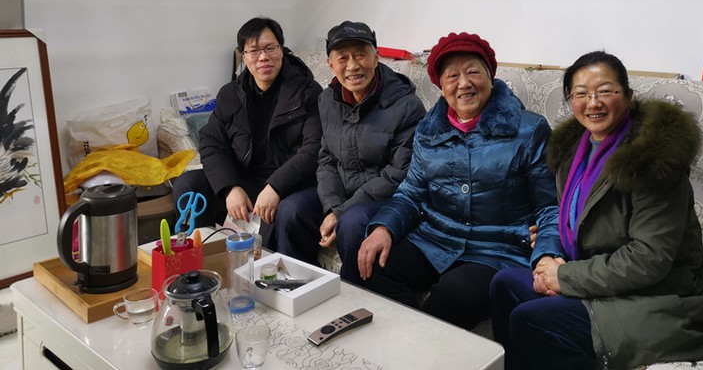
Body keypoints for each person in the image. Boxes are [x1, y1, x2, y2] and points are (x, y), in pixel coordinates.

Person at [490, 51, 703, 370]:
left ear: (627, 96)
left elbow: (649, 259)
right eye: (581, 94)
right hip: (596, 273)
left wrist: (565, 276)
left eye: (605, 91)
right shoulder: (574, 148)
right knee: (503, 283)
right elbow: (567, 216)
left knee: (531, 318)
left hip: (658, 292)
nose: (593, 103)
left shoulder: (651, 161)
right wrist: (548, 254)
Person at [357, 32, 560, 330]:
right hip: (435, 240)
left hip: (498, 249)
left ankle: (417, 346)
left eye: (473, 72)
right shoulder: (428, 131)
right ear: (441, 87)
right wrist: (383, 228)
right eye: (452, 76)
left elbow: (549, 207)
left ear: (490, 77)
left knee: (455, 293)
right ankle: (403, 341)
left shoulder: (529, 131)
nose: (463, 83)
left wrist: (547, 254)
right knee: (372, 264)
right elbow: (411, 194)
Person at [172, 17, 324, 264]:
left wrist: (275, 187)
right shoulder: (231, 94)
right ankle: (197, 264)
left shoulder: (308, 93)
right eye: (254, 51)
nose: (263, 57)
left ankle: (272, 275)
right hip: (246, 179)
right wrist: (229, 187)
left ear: (282, 50)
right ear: (243, 56)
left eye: (270, 48)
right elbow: (212, 142)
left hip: (289, 183)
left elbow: (314, 149)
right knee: (188, 186)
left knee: (286, 211)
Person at [316, 21, 426, 283]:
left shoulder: (406, 105)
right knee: (292, 211)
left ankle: (353, 299)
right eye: (343, 58)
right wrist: (332, 206)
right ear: (330, 65)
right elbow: (326, 160)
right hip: (343, 195)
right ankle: (294, 293)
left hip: (386, 199)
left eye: (360, 55)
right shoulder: (327, 100)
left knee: (351, 221)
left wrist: (340, 212)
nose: (353, 65)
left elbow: (399, 173)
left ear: (376, 58)